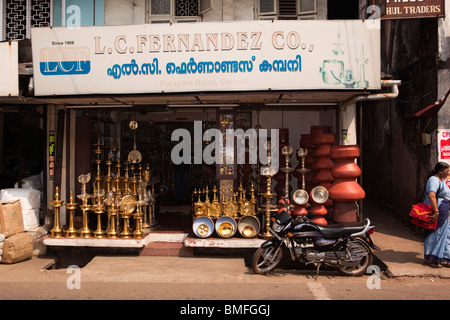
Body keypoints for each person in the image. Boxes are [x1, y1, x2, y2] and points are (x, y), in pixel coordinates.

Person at [423, 162, 450, 268]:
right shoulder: (433, 180)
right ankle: (431, 258)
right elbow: (431, 195)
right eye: (446, 171)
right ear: (440, 171)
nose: (448, 173)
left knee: (445, 234)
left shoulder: (440, 181)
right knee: (435, 234)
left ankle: (442, 257)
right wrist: (436, 211)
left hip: (443, 212)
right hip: (437, 212)